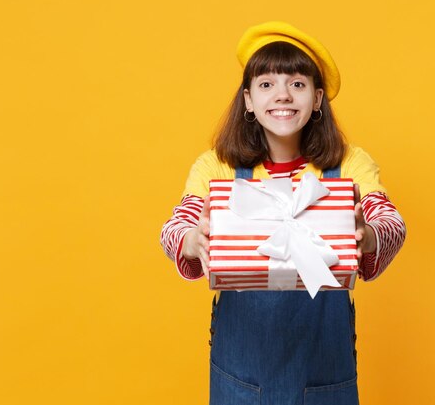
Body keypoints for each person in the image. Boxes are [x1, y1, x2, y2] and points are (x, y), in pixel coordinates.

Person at [160, 21, 406, 405]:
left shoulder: (349, 165)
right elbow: (176, 227)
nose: (282, 95)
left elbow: (391, 223)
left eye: (297, 84)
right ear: (248, 100)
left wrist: (369, 233)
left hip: (325, 375)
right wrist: (193, 239)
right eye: (266, 84)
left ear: (318, 97)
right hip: (238, 376)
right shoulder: (217, 167)